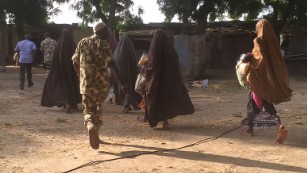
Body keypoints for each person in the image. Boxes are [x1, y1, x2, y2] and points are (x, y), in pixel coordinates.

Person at [241, 19, 292, 144]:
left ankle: (255, 128)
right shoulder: (274, 43)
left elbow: (259, 61)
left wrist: (248, 59)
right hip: (270, 80)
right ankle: (256, 128)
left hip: (258, 81)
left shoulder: (258, 41)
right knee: (260, 104)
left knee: (255, 105)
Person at [72, 22, 120, 149]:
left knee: (88, 109)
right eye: (107, 31)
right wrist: (120, 81)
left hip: (86, 84)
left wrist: (80, 75)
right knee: (98, 108)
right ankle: (96, 134)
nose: (108, 33)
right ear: (101, 31)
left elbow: (74, 62)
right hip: (101, 85)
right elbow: (111, 64)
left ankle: (90, 125)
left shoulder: (82, 42)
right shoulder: (103, 44)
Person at [141, 29, 195, 128]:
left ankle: (153, 120)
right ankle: (165, 121)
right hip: (168, 83)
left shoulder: (154, 51)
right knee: (165, 100)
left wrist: (144, 64)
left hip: (156, 81)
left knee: (155, 98)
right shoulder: (171, 51)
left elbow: (151, 66)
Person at [41, 28, 81, 113]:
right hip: (71, 70)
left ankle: (66, 103)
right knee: (71, 85)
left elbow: (55, 58)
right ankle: (71, 103)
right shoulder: (72, 44)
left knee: (61, 85)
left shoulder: (59, 44)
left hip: (60, 69)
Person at [114, 35, 141, 113]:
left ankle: (126, 105)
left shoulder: (117, 52)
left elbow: (113, 64)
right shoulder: (130, 51)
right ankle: (131, 105)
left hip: (120, 76)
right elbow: (135, 64)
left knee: (124, 90)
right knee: (131, 88)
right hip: (130, 75)